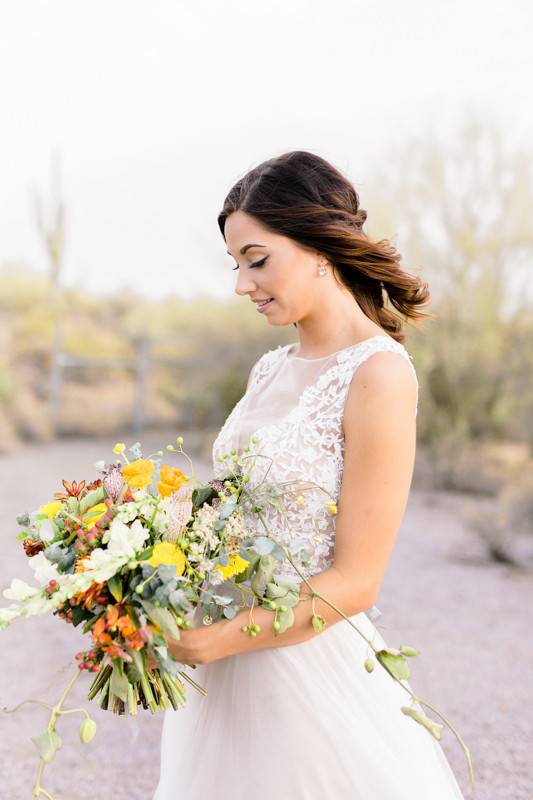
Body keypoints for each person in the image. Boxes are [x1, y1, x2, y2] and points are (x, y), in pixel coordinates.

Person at [153, 151, 465, 799]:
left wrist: (216, 642)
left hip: (301, 675)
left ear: (320, 247)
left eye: (257, 260)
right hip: (225, 673)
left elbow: (355, 581)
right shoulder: (269, 368)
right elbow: (235, 508)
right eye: (235, 264)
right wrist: (150, 518)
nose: (242, 284)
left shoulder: (377, 374)